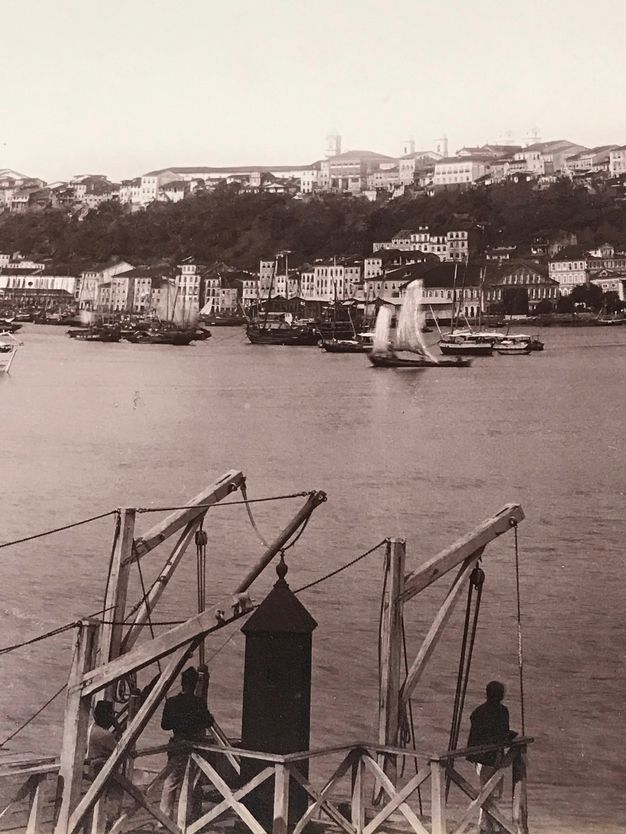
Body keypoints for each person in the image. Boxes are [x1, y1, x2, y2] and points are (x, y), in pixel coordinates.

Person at [159, 666, 214, 820]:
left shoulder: (171, 702)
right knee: (193, 783)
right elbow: (208, 721)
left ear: (182, 683)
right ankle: (191, 816)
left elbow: (165, 725)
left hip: (177, 744)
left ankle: (164, 818)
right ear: (195, 684)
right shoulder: (198, 703)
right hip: (194, 746)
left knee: (171, 781)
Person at [467, 681, 514, 834]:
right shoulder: (502, 711)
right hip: (493, 757)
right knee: (490, 792)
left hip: (481, 757)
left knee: (486, 791)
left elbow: (476, 736)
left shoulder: (478, 711)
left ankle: (487, 825)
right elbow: (502, 734)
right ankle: (487, 825)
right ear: (500, 695)